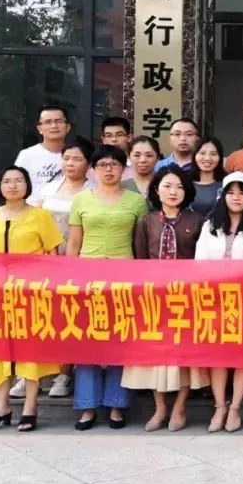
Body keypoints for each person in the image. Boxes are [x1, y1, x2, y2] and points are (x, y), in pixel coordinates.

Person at [0, 166, 63, 433]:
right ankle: (1, 406)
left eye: (19, 180)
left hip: (30, 293)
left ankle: (30, 406)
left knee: (30, 351)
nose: (13, 185)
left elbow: (53, 255)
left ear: (27, 185)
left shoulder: (40, 216)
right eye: (7, 181)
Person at [67, 145, 147, 430]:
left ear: (123, 169)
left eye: (114, 164)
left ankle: (116, 405)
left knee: (120, 340)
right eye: (103, 164)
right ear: (93, 169)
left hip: (124, 276)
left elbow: (140, 242)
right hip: (87, 276)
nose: (109, 169)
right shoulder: (81, 199)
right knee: (87, 341)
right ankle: (87, 406)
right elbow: (73, 242)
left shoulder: (136, 201)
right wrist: (70, 278)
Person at [122, 166, 207, 432]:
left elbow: (203, 260)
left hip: (186, 297)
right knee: (155, 355)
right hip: (154, 297)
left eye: (179, 187)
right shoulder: (147, 222)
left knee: (183, 356)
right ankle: (159, 408)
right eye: (167, 186)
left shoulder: (197, 220)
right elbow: (140, 259)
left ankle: (180, 407)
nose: (173, 192)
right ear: (156, 190)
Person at [20, 135, 94, 401]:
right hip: (45, 263)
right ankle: (32, 374)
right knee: (42, 319)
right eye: (66, 158)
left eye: (77, 159)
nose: (70, 163)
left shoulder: (93, 192)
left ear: (88, 164)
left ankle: (64, 373)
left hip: (78, 263)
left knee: (70, 319)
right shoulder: (48, 189)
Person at [196, 172, 243, 433]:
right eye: (231, 193)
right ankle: (219, 406)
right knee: (218, 355)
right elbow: (200, 261)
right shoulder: (209, 226)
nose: (236, 198)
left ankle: (235, 407)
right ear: (223, 196)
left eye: (241, 193)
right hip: (213, 299)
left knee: (241, 355)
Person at [14, 105, 72, 198]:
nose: (54, 126)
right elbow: (16, 185)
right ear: (39, 129)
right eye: (48, 122)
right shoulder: (27, 155)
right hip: (34, 206)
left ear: (68, 127)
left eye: (58, 121)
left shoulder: (77, 155)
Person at [190, 136, 226, 218]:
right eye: (202, 153)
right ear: (194, 155)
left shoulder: (226, 183)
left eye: (213, 154)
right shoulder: (184, 182)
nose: (207, 158)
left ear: (220, 157)